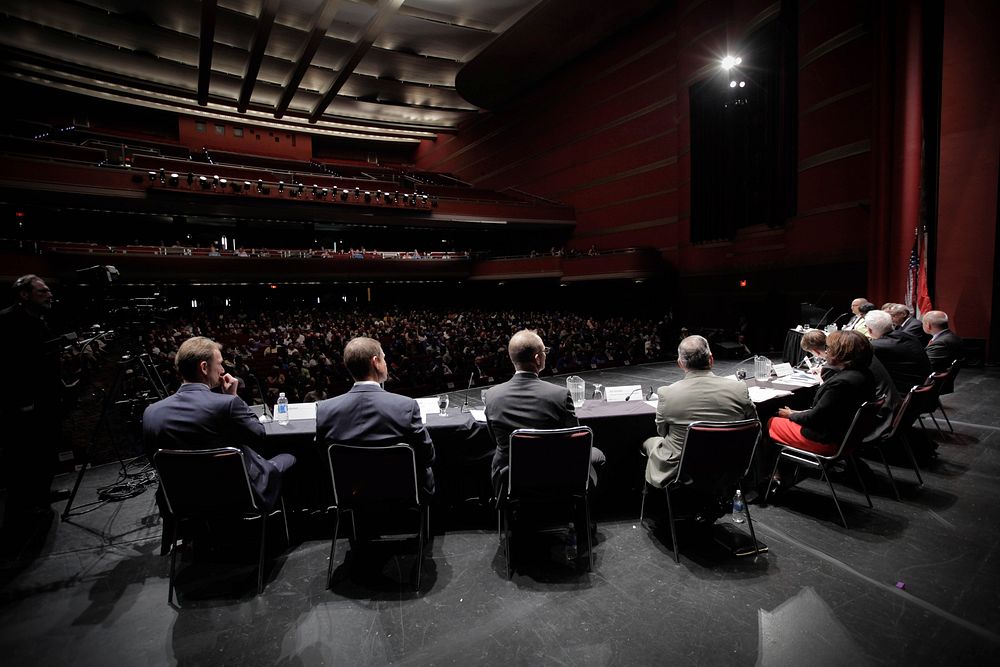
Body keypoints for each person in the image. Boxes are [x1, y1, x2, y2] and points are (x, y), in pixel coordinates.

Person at [142, 336, 296, 511]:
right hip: (234, 494)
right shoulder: (227, 404)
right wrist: (232, 396)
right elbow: (259, 435)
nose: (222, 370)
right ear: (204, 367)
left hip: (181, 500)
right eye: (220, 364)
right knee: (289, 457)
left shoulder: (151, 412)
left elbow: (155, 461)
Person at [485, 329, 605, 497]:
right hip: (557, 475)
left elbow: (495, 438)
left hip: (511, 479)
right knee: (597, 454)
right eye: (544, 351)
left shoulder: (491, 395)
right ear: (537, 358)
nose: (545, 355)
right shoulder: (560, 395)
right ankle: (581, 515)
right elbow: (575, 442)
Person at [316, 337, 435, 495]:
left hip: (352, 494)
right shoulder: (406, 406)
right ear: (375, 361)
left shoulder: (325, 410)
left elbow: (326, 459)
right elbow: (428, 456)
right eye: (384, 358)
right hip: (402, 493)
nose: (386, 363)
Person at [641, 335, 756, 488]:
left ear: (680, 363)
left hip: (684, 467)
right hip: (729, 464)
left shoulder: (667, 394)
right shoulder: (739, 388)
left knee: (647, 443)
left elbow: (662, 432)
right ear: (711, 359)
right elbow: (754, 424)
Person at [0, 275, 63, 521]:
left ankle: (41, 495)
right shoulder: (6, 321)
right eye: (42, 291)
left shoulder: (41, 320)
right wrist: (21, 400)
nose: (49, 295)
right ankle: (22, 507)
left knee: (46, 450)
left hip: (46, 398)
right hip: (22, 402)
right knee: (24, 455)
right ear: (24, 295)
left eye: (48, 290)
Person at [768, 330, 877, 456]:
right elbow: (829, 412)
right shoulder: (865, 375)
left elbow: (815, 419)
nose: (826, 352)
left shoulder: (840, 384)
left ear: (839, 353)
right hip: (849, 438)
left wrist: (791, 415)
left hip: (826, 440)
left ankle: (773, 471)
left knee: (770, 421)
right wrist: (796, 413)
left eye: (828, 348)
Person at [800, 328, 899, 441]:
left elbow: (825, 407)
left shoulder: (838, 370)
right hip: (891, 406)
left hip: (874, 419)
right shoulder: (863, 357)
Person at [865, 309, 931, 394]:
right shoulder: (909, 336)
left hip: (903, 394)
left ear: (869, 330)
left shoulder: (875, 347)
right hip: (924, 388)